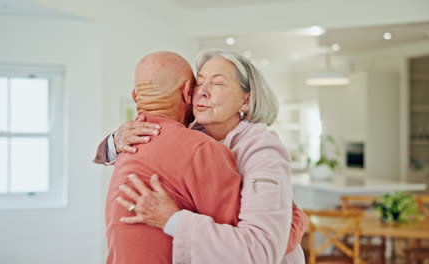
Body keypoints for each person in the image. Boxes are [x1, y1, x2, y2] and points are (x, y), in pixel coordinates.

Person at [95, 50, 307, 263]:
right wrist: (114, 141)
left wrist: (172, 219)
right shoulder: (191, 138)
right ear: (189, 91)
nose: (203, 92)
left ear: (246, 101)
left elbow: (260, 251)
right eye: (200, 82)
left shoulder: (262, 149)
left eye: (218, 83)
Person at [102, 51, 243, 264]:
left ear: (135, 97)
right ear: (188, 92)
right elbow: (243, 246)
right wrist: (295, 217)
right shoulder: (200, 149)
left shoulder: (126, 146)